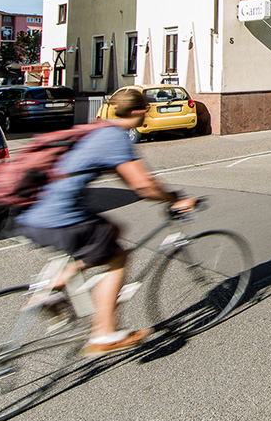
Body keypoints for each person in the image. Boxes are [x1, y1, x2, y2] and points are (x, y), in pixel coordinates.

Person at [14, 89, 196, 357]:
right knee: (118, 257)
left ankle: (52, 290)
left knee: (111, 232)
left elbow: (129, 179)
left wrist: (158, 194)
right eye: (146, 109)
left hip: (37, 212)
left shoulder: (100, 130)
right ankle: (103, 334)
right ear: (138, 111)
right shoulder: (116, 137)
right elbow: (143, 185)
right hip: (61, 216)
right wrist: (174, 199)